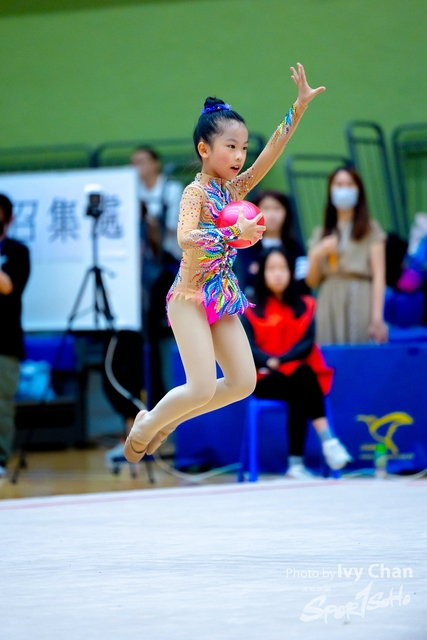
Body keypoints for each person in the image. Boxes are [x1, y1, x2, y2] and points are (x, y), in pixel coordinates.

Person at [124, 63, 326, 463]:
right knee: (199, 387)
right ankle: (146, 423)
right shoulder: (195, 193)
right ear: (204, 149)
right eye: (230, 146)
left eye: (243, 147)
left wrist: (299, 107)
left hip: (221, 295)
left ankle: (167, 420)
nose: (239, 155)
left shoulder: (234, 189)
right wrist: (232, 233)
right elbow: (185, 239)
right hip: (189, 297)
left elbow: (271, 153)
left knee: (243, 382)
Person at [242, 247, 352, 478]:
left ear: (291, 272)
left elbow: (307, 344)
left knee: (299, 383)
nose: (278, 274)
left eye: (283, 268)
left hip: (297, 376)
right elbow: (247, 347)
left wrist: (280, 360)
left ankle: (298, 465)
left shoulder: (306, 305)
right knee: (301, 381)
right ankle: (327, 442)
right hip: (265, 378)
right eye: (272, 269)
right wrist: (269, 361)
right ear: (262, 273)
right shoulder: (249, 309)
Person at [306, 167, 388, 345]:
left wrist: (377, 318)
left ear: (359, 191)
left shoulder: (371, 229)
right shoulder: (321, 232)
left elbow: (379, 275)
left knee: (359, 351)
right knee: (329, 353)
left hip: (360, 294)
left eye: (350, 184)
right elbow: (312, 281)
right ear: (330, 191)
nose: (344, 189)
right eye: (339, 184)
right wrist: (316, 254)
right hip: (329, 297)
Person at [131, 146, 184, 406]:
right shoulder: (131, 191)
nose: (136, 168)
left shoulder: (172, 190)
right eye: (133, 163)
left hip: (173, 266)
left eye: (141, 161)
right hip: (145, 273)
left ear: (155, 163)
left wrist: (151, 222)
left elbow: (175, 230)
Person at [0, 194, 31, 477]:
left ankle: (0, 458)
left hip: (5, 342)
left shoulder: (18, 252)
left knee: (1, 405)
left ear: (8, 219)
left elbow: (7, 286)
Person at [234, 189, 308, 295]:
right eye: (266, 208)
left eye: (277, 208)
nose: (271, 215)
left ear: (286, 212)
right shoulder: (245, 247)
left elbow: (303, 281)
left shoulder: (295, 247)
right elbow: (242, 278)